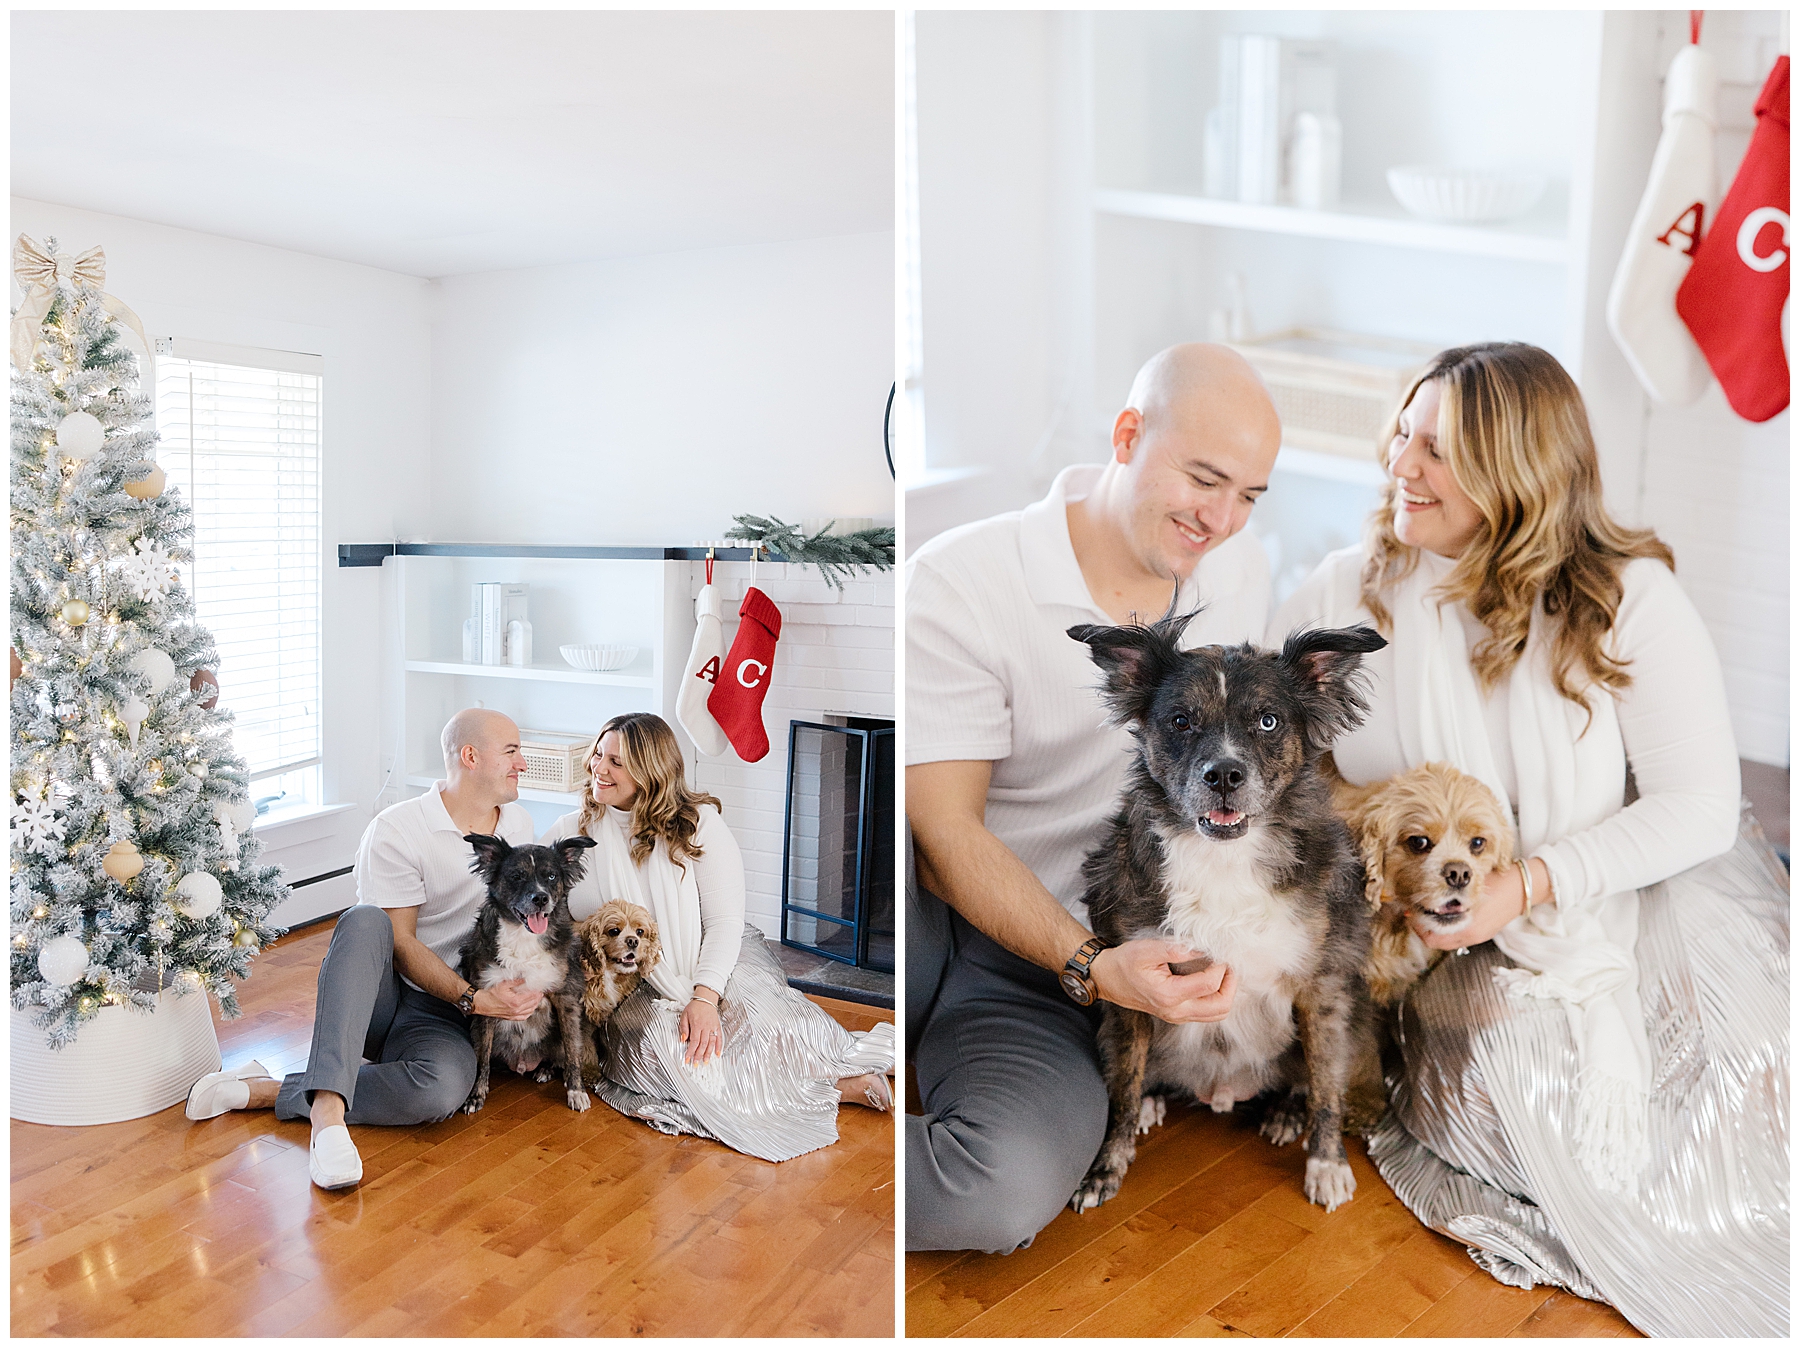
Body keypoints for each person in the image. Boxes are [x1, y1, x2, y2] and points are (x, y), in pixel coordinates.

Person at [1270, 342, 1787, 1337]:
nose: (1399, 465)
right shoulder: (1347, 594)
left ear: (1516, 474)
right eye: (1402, 435)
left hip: (1604, 877)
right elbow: (1269, 757)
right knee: (1526, 1095)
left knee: (1746, 1066)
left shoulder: (1625, 600)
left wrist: (1534, 882)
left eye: (1438, 450)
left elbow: (1695, 805)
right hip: (1433, 901)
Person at [906, 343, 1283, 1253]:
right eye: (1205, 478)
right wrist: (1087, 962)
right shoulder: (964, 582)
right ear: (1126, 436)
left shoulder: (1241, 577)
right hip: (1002, 937)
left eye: (1249, 496)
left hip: (1136, 954)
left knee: (998, 1188)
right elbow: (945, 839)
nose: (1223, 519)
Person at [183, 708, 545, 1190]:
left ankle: (269, 1091)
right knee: (366, 920)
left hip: (455, 1021)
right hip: (396, 997)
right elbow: (399, 943)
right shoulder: (398, 828)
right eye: (512, 751)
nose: (523, 762)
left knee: (439, 1093)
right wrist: (472, 997)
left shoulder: (519, 826)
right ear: (471, 756)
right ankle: (328, 1116)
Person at [540, 711, 896, 1162]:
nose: (598, 768)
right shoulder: (570, 834)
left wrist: (705, 997)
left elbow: (726, 922)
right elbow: (544, 919)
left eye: (616, 762)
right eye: (597, 755)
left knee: (762, 1019)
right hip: (629, 984)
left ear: (650, 772)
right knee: (678, 1053)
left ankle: (833, 1069)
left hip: (712, 953)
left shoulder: (698, 824)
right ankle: (831, 1089)